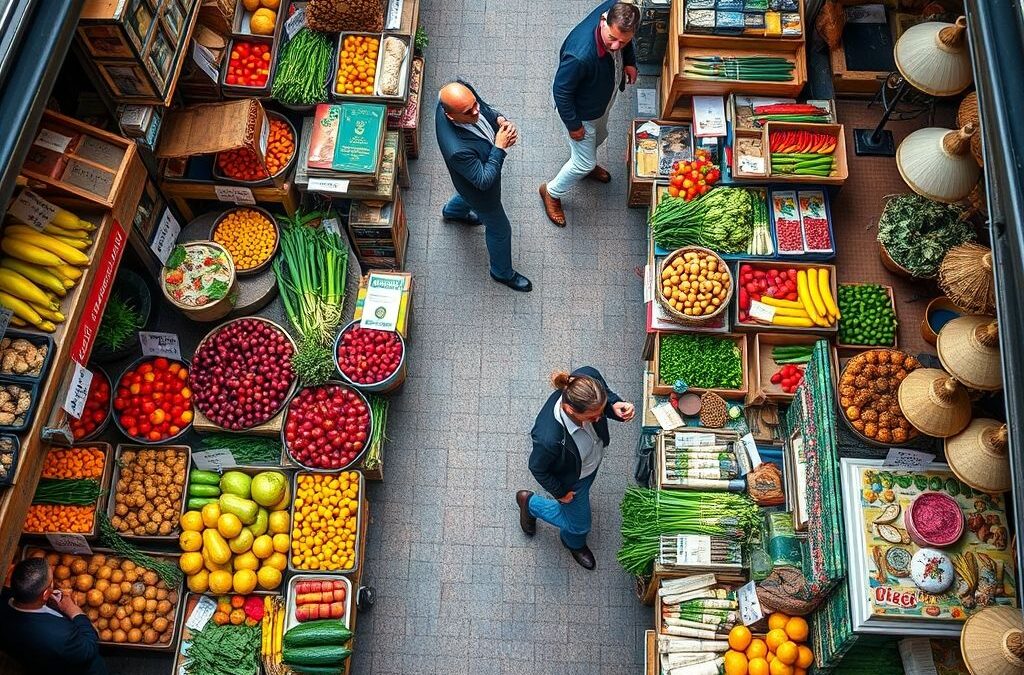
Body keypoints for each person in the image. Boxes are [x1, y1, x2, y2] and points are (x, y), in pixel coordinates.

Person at [516, 367, 635, 569]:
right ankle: (533, 506)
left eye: (600, 412)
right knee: (579, 525)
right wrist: (560, 493)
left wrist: (614, 404)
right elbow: (537, 468)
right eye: (592, 417)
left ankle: (571, 537)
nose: (599, 419)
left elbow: (604, 396)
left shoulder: (587, 377)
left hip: (588, 464)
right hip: (573, 480)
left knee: (580, 507)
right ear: (571, 411)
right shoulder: (548, 439)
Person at [539, 0, 640, 227]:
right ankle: (552, 191)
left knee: (600, 136)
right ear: (604, 21)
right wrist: (574, 126)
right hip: (581, 113)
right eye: (612, 39)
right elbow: (561, 92)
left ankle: (587, 163)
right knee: (583, 162)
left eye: (623, 42)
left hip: (598, 102)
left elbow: (624, 41)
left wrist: (629, 61)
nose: (616, 46)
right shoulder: (580, 56)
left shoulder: (619, 12)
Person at [435, 80, 532, 292]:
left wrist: (499, 119)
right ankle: (501, 272)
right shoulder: (457, 150)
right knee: (500, 230)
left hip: (465, 182)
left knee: (465, 194)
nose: (476, 111)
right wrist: (500, 147)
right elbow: (483, 180)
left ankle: (452, 212)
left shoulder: (456, 96)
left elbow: (484, 108)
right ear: (450, 116)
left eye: (475, 104)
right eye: (468, 112)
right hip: (481, 192)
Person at [0, 557, 107, 674]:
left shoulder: (4, 604)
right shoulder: (59, 635)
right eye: (51, 582)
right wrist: (74, 612)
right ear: (46, 594)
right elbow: (89, 648)